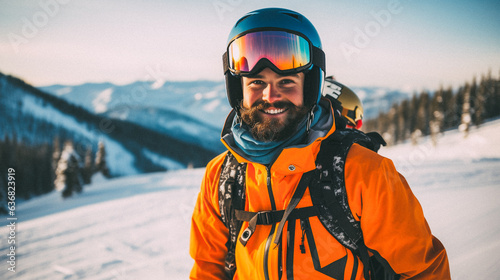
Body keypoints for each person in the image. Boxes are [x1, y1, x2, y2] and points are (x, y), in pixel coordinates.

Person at [190, 7, 450, 280]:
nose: (270, 95)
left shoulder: (365, 174)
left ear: (311, 86)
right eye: (256, 82)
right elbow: (207, 270)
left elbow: (423, 272)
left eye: (287, 81)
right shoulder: (221, 177)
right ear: (237, 90)